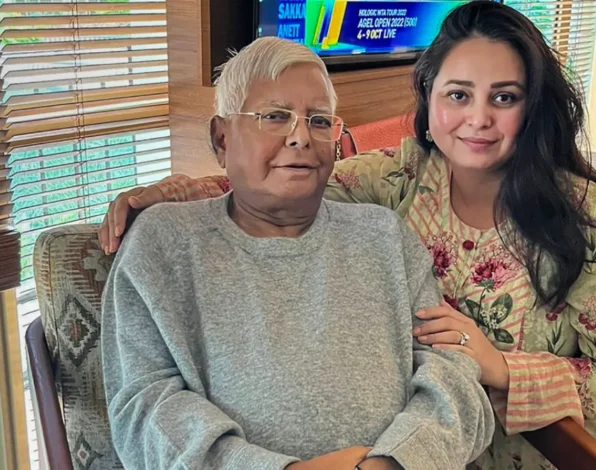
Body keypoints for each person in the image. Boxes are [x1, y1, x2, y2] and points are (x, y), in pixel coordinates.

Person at [100, 2, 596, 469]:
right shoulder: (399, 181)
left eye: (504, 97)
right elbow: (284, 178)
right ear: (430, 99)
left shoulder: (589, 217)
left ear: (532, 106)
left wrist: (498, 368)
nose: (478, 118)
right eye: (458, 94)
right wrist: (177, 192)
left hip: (563, 448)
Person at [101, 36, 495, 470]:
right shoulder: (162, 243)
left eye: (319, 121)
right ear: (221, 139)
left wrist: (393, 464)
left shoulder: (384, 236)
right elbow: (144, 408)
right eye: (275, 116)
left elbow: (452, 376)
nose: (301, 137)